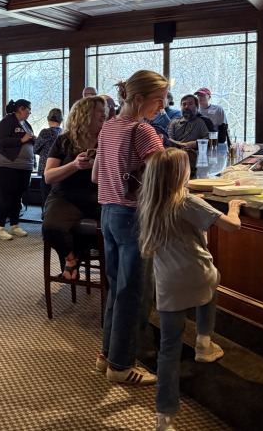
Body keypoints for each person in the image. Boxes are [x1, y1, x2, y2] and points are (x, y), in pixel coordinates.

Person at [138, 148, 245, 431]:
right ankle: (204, 342)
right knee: (213, 279)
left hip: (168, 283)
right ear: (179, 174)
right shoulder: (187, 201)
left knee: (169, 348)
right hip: (198, 274)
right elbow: (232, 227)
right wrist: (234, 207)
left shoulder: (149, 202)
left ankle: (165, 416)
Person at [91, 69, 167, 385]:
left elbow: (96, 176)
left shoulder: (108, 127)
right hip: (134, 216)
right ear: (138, 99)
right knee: (133, 293)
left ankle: (107, 354)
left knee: (116, 288)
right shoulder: (144, 131)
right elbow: (166, 177)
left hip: (108, 214)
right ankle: (121, 365)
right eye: (158, 101)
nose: (161, 108)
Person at [42, 96, 105, 280]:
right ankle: (70, 258)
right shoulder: (64, 141)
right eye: (99, 111)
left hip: (98, 197)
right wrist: (75, 165)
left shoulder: (107, 139)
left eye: (104, 111)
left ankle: (111, 277)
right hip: (66, 196)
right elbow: (49, 176)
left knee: (116, 227)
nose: (104, 114)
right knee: (50, 226)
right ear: (84, 114)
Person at [0, 99, 35, 241]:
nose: (30, 112)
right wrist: (21, 140)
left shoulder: (25, 124)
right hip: (5, 164)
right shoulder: (6, 122)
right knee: (7, 194)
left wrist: (32, 139)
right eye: (28, 109)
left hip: (23, 166)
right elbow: (1, 141)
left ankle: (14, 225)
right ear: (21, 109)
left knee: (18, 195)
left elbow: (26, 138)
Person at [34, 108, 64, 203]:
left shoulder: (45, 132)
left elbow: (35, 149)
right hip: (60, 167)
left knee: (46, 196)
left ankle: (46, 215)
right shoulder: (64, 133)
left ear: (48, 119)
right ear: (61, 120)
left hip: (45, 167)